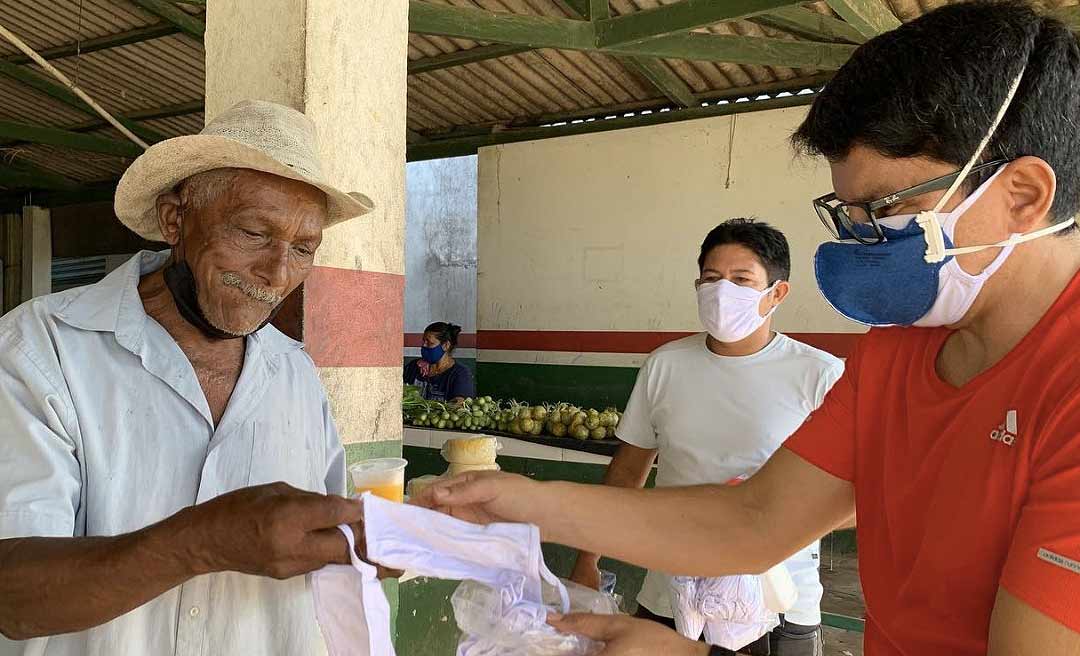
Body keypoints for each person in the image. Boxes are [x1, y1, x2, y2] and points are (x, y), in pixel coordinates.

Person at [416, 3, 1080, 655]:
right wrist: (524, 501)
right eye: (848, 216)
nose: (863, 241)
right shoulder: (901, 349)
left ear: (1021, 195)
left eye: (886, 209)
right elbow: (756, 519)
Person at [0, 100, 389, 654]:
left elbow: (330, 545)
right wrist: (200, 542)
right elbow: (13, 597)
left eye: (304, 249)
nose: (278, 274)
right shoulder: (42, 352)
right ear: (175, 220)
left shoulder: (294, 373)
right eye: (254, 232)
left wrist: (384, 542)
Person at [568, 219, 843, 655]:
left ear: (777, 293)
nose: (722, 291)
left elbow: (854, 494)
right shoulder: (666, 365)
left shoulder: (820, 374)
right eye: (712, 279)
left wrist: (768, 523)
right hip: (670, 593)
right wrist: (588, 559)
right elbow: (627, 473)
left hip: (777, 601)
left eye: (741, 280)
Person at [404, 321, 475, 402]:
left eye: (429, 343)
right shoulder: (413, 367)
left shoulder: (460, 374)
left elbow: (459, 403)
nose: (424, 345)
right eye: (423, 341)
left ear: (445, 345)